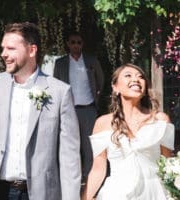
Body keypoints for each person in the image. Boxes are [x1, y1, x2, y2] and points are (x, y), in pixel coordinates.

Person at [0, 22, 81, 200]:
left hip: (40, 193)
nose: (4, 54)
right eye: (3, 48)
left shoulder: (59, 92)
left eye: (11, 48)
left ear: (32, 50)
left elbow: (69, 157)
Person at [81, 63, 175, 200]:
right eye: (128, 75)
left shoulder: (160, 120)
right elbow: (98, 169)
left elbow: (168, 163)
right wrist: (85, 198)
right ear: (115, 87)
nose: (136, 79)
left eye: (140, 77)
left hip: (154, 193)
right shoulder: (103, 123)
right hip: (116, 194)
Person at [53, 31, 104, 183]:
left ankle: (89, 177)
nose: (76, 45)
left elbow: (100, 80)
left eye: (79, 42)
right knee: (71, 145)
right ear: (68, 44)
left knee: (89, 145)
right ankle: (73, 178)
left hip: (88, 109)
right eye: (73, 42)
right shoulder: (60, 63)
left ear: (82, 44)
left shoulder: (91, 61)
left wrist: (96, 98)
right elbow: (55, 85)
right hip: (69, 109)